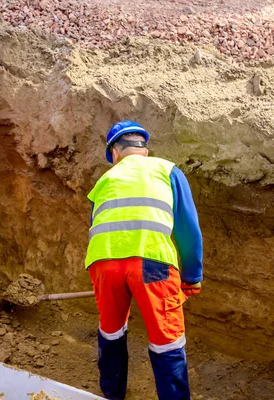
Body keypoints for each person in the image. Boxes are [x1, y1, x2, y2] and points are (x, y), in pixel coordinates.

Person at [85, 120, 203, 400]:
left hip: (104, 261)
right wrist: (192, 276)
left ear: (115, 152)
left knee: (111, 332)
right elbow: (188, 229)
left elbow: (96, 226)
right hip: (152, 263)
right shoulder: (167, 170)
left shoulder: (104, 181)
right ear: (144, 150)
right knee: (166, 340)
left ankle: (112, 394)